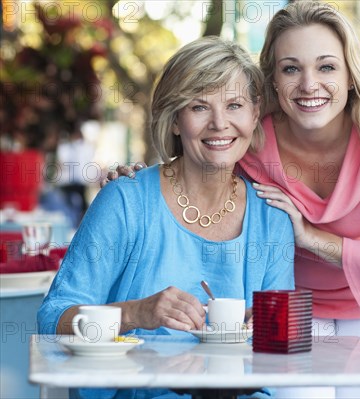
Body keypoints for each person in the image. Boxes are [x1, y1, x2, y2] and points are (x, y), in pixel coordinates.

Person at [108, 2, 360, 397]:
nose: (308, 84)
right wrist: (139, 179)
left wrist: (312, 238)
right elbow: (198, 160)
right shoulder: (251, 140)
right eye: (291, 68)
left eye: (326, 67)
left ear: (351, 74)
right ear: (271, 79)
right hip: (288, 301)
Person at [38, 37, 294, 399]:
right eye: (198, 107)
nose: (219, 124)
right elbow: (52, 319)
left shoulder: (272, 218)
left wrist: (264, 328)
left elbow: (280, 351)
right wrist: (135, 313)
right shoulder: (125, 202)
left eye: (234, 105)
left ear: (254, 115)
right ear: (175, 121)